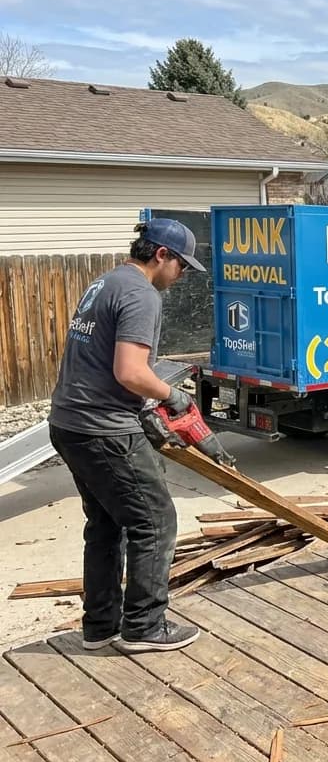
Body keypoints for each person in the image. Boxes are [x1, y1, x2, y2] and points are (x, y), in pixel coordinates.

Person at [49, 218, 207, 653]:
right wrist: (171, 396)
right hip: (104, 429)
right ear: (162, 255)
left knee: (104, 524)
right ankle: (145, 627)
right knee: (155, 522)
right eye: (183, 266)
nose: (182, 276)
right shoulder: (141, 294)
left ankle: (100, 627)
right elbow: (131, 372)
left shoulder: (106, 282)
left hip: (69, 422)